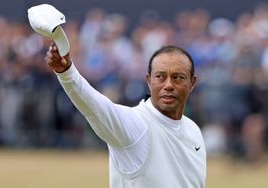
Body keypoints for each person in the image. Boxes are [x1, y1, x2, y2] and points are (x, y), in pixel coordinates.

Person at [45, 42, 206, 188]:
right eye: (160, 77)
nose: (168, 85)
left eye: (178, 77)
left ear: (192, 83)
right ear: (149, 81)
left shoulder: (193, 130)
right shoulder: (136, 125)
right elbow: (96, 107)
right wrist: (66, 73)